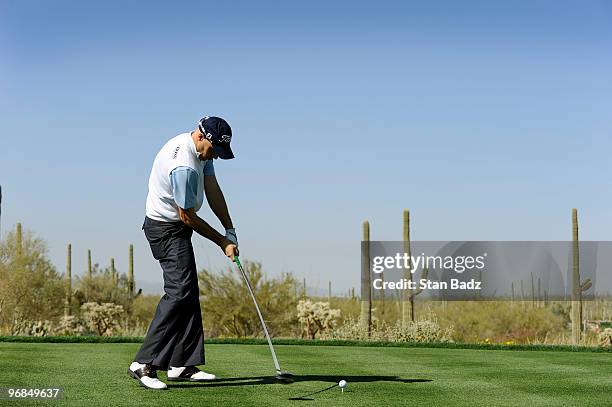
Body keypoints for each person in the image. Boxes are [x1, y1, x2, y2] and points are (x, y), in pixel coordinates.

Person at [128, 116, 238, 390]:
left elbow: (212, 188)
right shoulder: (184, 166)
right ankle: (144, 363)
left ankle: (181, 364)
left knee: (187, 291)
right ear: (201, 137)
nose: (213, 156)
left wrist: (229, 228)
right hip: (165, 229)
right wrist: (221, 242)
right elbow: (187, 217)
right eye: (214, 150)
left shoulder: (201, 149)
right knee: (178, 292)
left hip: (175, 227)